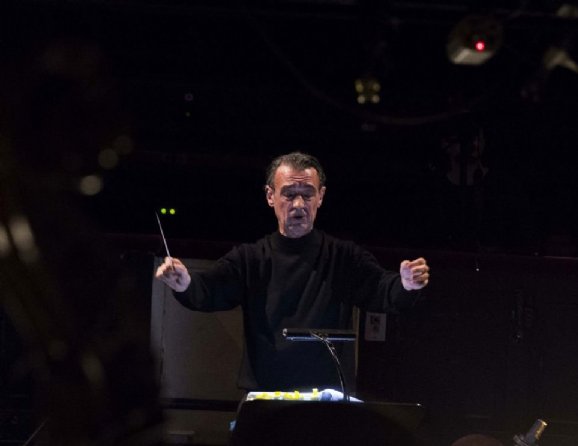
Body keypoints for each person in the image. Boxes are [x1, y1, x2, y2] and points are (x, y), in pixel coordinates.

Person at [155, 152, 430, 392]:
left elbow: (381, 289)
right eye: (289, 194)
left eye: (307, 194)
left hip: (327, 398)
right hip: (266, 395)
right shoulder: (251, 258)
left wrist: (406, 284)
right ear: (270, 196)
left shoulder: (343, 257)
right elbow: (209, 289)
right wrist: (184, 283)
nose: (299, 204)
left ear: (320, 197)